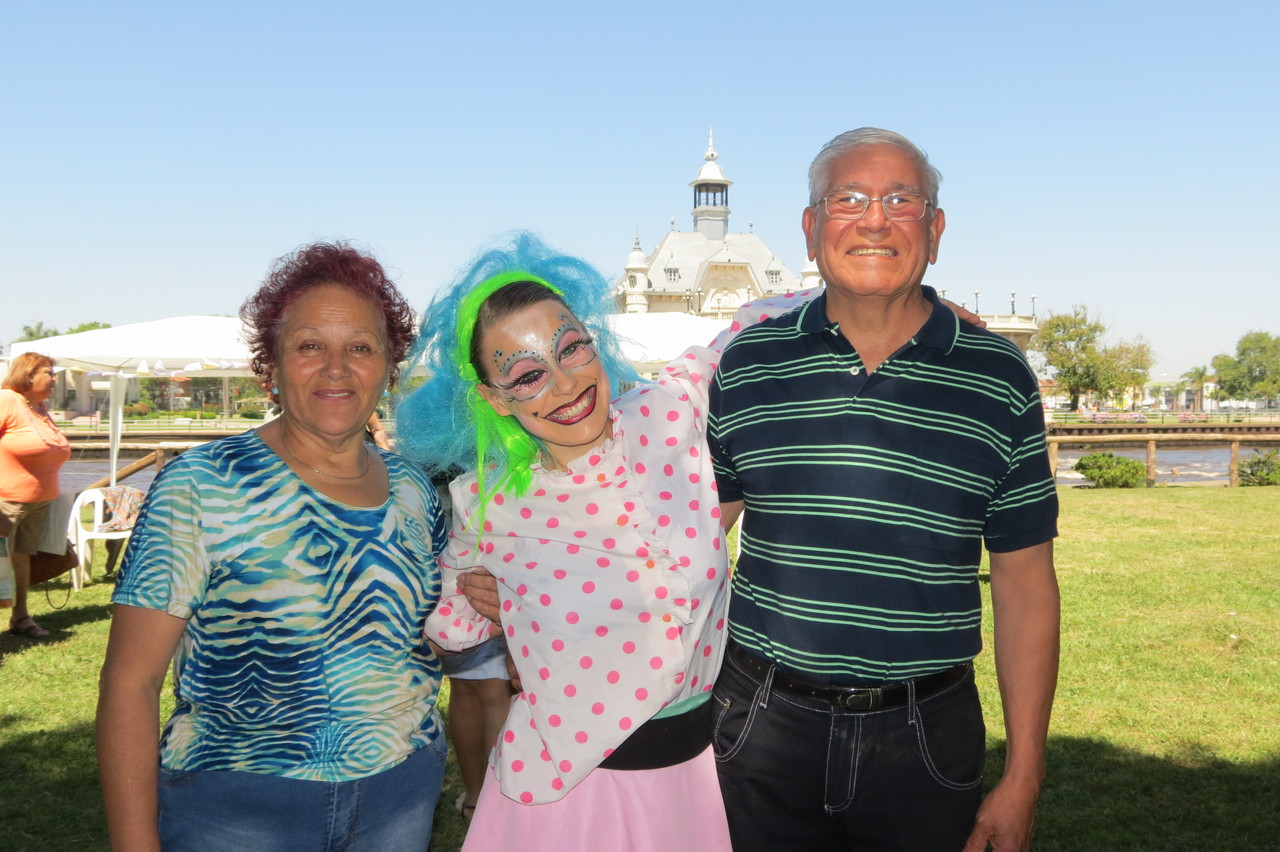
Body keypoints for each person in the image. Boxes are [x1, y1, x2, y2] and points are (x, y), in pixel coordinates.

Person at [706, 128, 1061, 852]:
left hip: (924, 737)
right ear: (811, 230)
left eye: (902, 200)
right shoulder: (748, 364)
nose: (874, 220)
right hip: (760, 727)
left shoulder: (998, 378)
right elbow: (688, 535)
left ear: (935, 229)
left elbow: (1026, 583)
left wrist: (1025, 773)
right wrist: (545, 576)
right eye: (849, 200)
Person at [396, 231, 796, 850]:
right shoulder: (487, 504)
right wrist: (511, 609)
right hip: (565, 799)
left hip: (693, 776)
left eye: (572, 349)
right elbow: (446, 628)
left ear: (594, 340)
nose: (563, 384)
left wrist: (917, 311)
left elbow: (753, 324)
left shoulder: (671, 412)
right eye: (527, 375)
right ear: (492, 399)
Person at [96, 242, 449, 852]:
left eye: (361, 348)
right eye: (310, 345)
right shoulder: (202, 484)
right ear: (271, 366)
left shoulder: (415, 488)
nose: (336, 368)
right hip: (237, 812)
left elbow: (428, 636)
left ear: (390, 367)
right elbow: (130, 683)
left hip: (400, 797)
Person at [1, 352, 72, 639]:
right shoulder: (7, 400)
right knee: (0, 562)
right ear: (29, 375)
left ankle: (20, 617)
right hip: (7, 501)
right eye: (49, 373)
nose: (54, 379)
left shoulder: (38, 405)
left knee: (21, 558)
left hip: (40, 502)